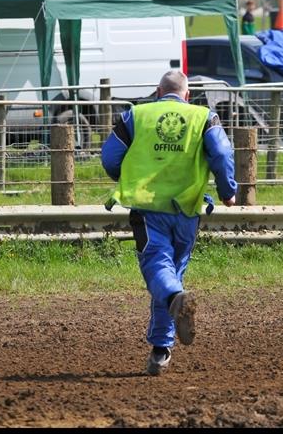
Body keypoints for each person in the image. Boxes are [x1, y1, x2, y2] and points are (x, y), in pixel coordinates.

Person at [101, 70, 237, 376]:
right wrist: (229, 191)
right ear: (187, 95)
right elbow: (221, 152)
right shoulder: (204, 117)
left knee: (157, 269)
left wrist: (127, 177)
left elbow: (110, 157)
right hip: (188, 210)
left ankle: (175, 304)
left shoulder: (136, 115)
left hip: (149, 208)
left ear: (157, 91)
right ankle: (161, 350)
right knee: (172, 274)